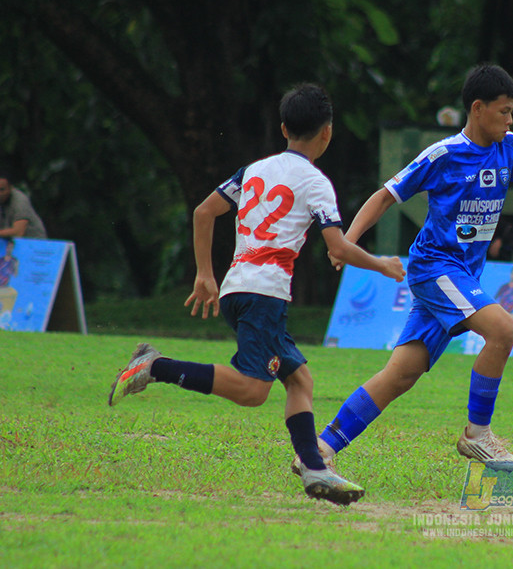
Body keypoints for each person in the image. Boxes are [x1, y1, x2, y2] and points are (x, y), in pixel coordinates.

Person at [308, 64, 513, 478]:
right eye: (504, 112)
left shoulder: (510, 147)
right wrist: (348, 242)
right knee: (502, 329)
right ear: (478, 109)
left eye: (512, 111)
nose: (510, 119)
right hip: (435, 268)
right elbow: (385, 196)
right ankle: (477, 435)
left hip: (461, 274)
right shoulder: (444, 154)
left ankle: (320, 447)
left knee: (401, 374)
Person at [107, 83, 405, 506]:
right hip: (264, 294)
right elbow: (336, 248)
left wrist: (204, 274)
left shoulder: (254, 170)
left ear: (284, 128)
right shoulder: (317, 183)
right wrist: (383, 265)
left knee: (299, 379)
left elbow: (203, 211)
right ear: (328, 133)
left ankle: (312, 467)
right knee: (253, 390)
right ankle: (156, 366)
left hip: (237, 287)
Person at [0, 172, 47, 239]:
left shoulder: (20, 201)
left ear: (11, 188)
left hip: (33, 242)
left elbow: (18, 232)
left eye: (2, 190)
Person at [495, 265, 513, 338]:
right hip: (501, 311)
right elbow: (495, 298)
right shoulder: (504, 286)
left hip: (510, 313)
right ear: (510, 274)